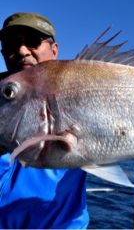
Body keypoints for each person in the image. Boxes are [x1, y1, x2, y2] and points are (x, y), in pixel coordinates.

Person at [0, 12, 89, 229]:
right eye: (12, 44)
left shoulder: (82, 87)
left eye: (32, 41)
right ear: (3, 54)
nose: (22, 51)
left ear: (54, 50)